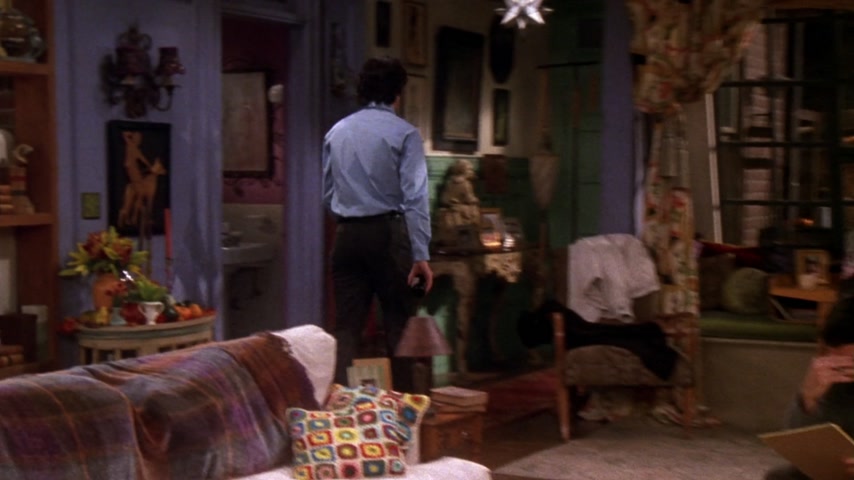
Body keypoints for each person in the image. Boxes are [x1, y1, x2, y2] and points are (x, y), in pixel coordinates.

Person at [322, 57, 434, 393]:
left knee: (346, 329)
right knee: (398, 327)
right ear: (398, 93)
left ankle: (340, 410)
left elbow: (327, 194)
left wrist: (350, 219)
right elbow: (415, 198)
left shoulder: (336, 132)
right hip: (388, 234)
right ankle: (404, 411)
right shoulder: (405, 134)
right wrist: (421, 255)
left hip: (346, 235)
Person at [764, 296, 854, 479]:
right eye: (837, 358)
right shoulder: (838, 374)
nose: (844, 366)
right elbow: (803, 450)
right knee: (782, 477)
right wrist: (808, 400)